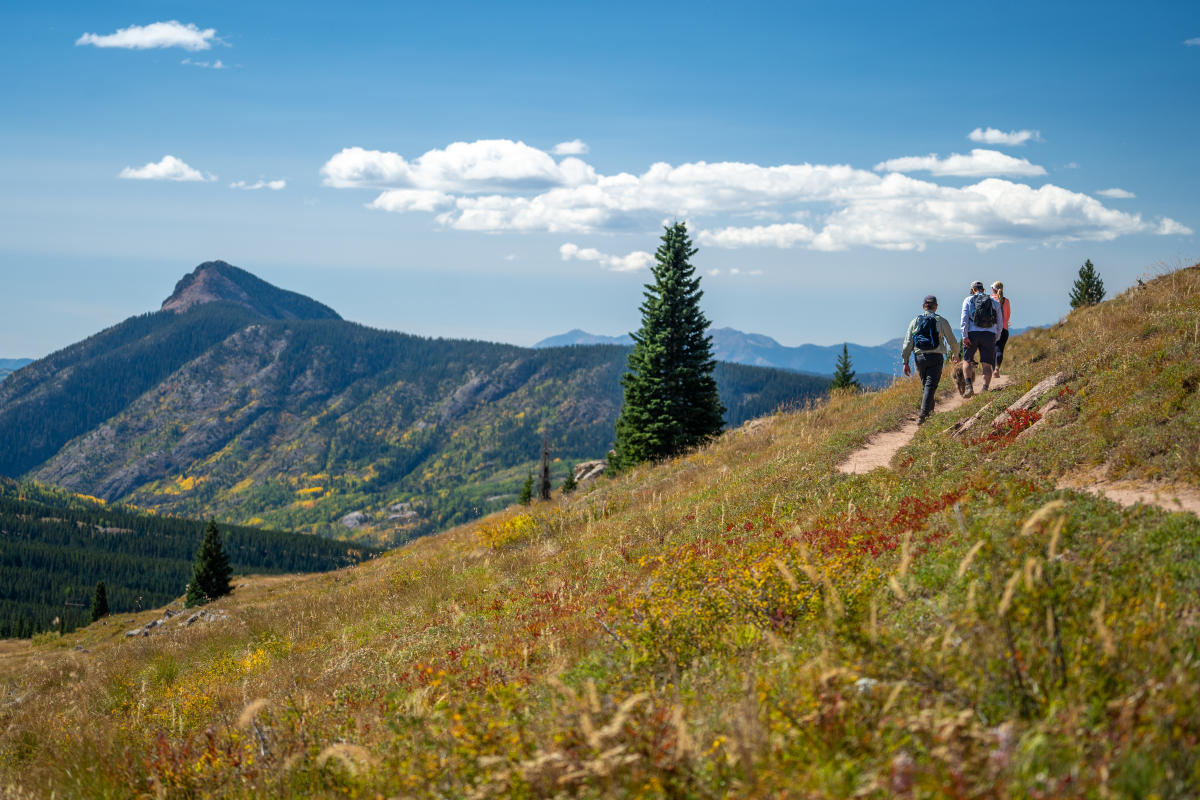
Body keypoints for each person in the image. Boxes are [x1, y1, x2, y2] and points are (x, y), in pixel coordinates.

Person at [902, 294, 959, 425]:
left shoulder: (915, 321)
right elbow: (952, 340)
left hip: (919, 357)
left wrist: (905, 361)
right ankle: (923, 416)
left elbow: (907, 343)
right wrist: (956, 354)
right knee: (930, 386)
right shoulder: (941, 321)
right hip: (936, 357)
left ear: (923, 306)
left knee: (926, 386)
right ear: (936, 307)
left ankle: (930, 416)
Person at [959, 280, 1003, 397]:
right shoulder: (994, 302)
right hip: (989, 334)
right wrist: (996, 337)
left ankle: (969, 388)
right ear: (983, 290)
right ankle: (984, 389)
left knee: (967, 360)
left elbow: (964, 320)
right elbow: (1000, 323)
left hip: (972, 334)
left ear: (972, 290)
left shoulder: (968, 300)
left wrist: (965, 336)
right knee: (987, 364)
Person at [991, 281, 1011, 376]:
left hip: (992, 329)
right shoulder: (1006, 301)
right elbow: (1007, 316)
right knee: (1000, 349)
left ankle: (992, 370)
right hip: (1004, 329)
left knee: (992, 349)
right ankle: (997, 368)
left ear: (993, 289)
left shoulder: (990, 299)